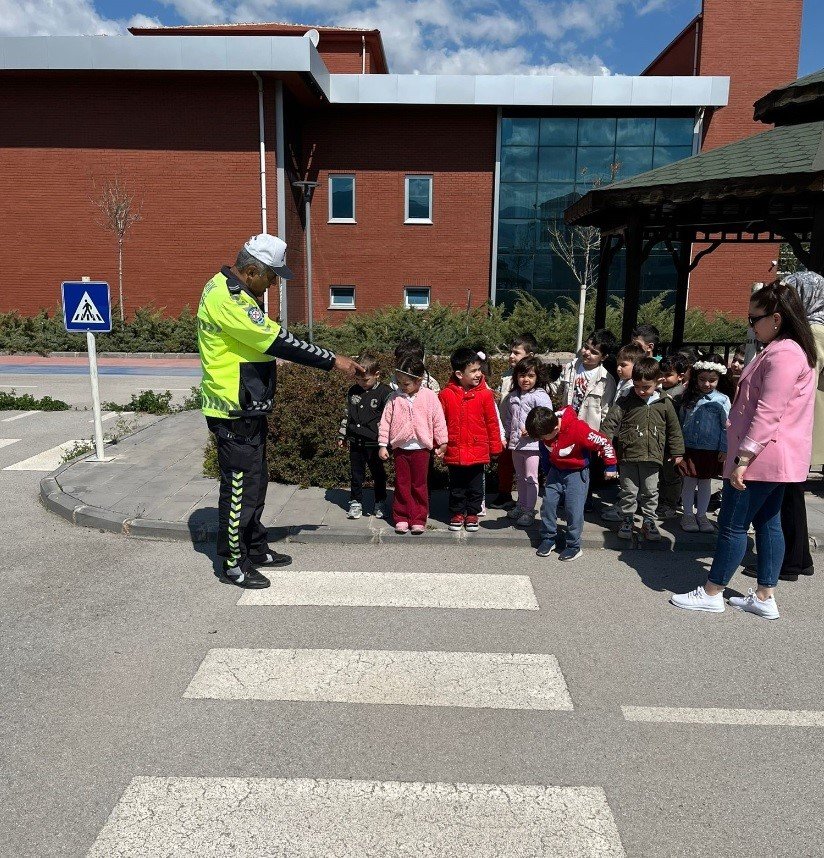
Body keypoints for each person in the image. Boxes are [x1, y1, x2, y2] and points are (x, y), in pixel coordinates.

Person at [198, 233, 361, 589]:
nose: (274, 284)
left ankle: (255, 547)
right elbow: (276, 341)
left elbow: (267, 333)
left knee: (256, 484)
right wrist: (334, 360)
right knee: (239, 489)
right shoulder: (227, 298)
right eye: (272, 276)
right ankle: (232, 562)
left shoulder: (236, 289)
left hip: (248, 406)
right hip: (232, 410)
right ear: (252, 269)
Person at [670, 280, 817, 619]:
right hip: (778, 457)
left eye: (754, 319)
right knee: (768, 523)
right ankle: (764, 596)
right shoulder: (794, 350)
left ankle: (712, 591)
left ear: (776, 319)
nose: (750, 325)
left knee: (733, 525)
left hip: (761, 456)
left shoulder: (783, 354)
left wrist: (744, 457)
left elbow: (769, 411)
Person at [741, 272, 824, 583]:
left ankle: (790, 560)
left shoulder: (811, 332)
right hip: (805, 419)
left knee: (785, 496)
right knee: (790, 494)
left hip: (796, 421)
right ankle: (797, 558)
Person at [601, 357, 684, 541]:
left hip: (653, 457)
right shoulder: (625, 401)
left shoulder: (665, 404)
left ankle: (648, 521)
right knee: (628, 491)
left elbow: (674, 429)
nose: (641, 391)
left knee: (650, 491)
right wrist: (604, 442)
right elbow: (610, 423)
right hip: (629, 455)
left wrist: (677, 451)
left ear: (658, 382)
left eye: (646, 387)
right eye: (637, 386)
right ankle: (628, 519)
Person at [527, 405, 617, 562]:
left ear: (556, 428)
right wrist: (547, 470)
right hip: (555, 471)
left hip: (576, 472)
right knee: (548, 503)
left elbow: (604, 442)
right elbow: (544, 448)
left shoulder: (578, 429)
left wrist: (610, 465)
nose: (542, 440)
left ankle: (573, 545)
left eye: (544, 436)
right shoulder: (545, 428)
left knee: (573, 508)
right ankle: (549, 538)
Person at [378, 355, 447, 534]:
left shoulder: (429, 396)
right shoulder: (394, 398)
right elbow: (385, 422)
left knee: (419, 485)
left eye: (406, 383)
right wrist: (383, 444)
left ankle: (418, 518)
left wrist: (442, 442)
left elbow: (438, 420)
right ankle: (401, 517)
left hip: (421, 449)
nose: (402, 386)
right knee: (401, 484)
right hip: (401, 449)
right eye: (399, 382)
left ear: (419, 380)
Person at [439, 348, 503, 532]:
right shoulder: (446, 395)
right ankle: (457, 513)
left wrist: (495, 446)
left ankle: (473, 513)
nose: (478, 374)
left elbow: (492, 422)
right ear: (459, 374)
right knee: (456, 486)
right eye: (473, 371)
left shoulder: (485, 394)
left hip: (478, 449)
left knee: (476, 486)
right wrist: (439, 444)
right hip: (455, 449)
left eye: (479, 369)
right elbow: (440, 422)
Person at [676, 355, 732, 533]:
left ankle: (701, 515)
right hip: (690, 446)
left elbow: (726, 427)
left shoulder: (722, 399)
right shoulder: (687, 396)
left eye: (712, 380)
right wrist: (678, 447)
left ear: (719, 379)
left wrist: (724, 448)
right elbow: (680, 421)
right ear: (695, 378)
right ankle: (687, 514)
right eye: (702, 379)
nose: (706, 384)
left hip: (710, 448)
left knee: (706, 482)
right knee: (689, 481)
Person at [338, 353, 392, 521]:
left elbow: (389, 418)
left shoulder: (385, 392)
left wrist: (387, 441)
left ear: (377, 375)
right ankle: (355, 501)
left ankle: (380, 501)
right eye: (359, 379)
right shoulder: (353, 391)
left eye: (366, 380)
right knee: (356, 474)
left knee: (378, 474)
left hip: (375, 442)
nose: (362, 383)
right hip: (356, 440)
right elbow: (348, 414)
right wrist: (342, 435)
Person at [502, 356, 552, 527]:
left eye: (531, 376)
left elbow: (547, 418)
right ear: (516, 377)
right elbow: (509, 418)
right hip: (516, 445)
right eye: (522, 375)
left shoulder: (540, 395)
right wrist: (507, 435)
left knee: (531, 478)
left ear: (537, 377)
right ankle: (521, 505)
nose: (526, 379)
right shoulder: (513, 396)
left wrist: (533, 431)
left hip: (533, 445)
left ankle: (529, 510)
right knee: (521, 477)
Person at [490, 333, 538, 509]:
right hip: (506, 428)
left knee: (525, 468)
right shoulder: (506, 375)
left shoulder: (533, 378)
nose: (511, 356)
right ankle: (504, 494)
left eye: (516, 353)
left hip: (525, 431)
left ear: (529, 356)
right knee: (504, 463)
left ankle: (526, 502)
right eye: (511, 352)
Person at [601, 342, 646, 522]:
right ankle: (625, 504)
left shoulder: (633, 388)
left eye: (624, 365)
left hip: (628, 434)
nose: (619, 369)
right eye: (618, 364)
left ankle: (627, 508)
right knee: (624, 473)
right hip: (619, 433)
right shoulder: (622, 382)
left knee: (629, 475)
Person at [551, 328, 617, 432]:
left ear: (603, 357)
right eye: (586, 347)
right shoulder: (570, 367)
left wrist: (601, 438)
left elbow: (606, 413)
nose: (586, 352)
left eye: (594, 352)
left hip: (588, 433)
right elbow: (555, 389)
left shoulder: (607, 381)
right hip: (566, 427)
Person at [656, 353, 690, 519]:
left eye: (668, 375)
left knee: (672, 476)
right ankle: (663, 502)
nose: (663, 378)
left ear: (681, 376)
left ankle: (670, 504)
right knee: (662, 475)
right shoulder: (661, 390)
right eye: (661, 374)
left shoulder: (680, 394)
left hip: (673, 443)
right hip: (661, 441)